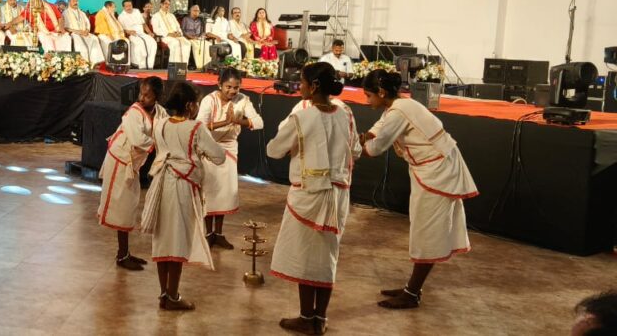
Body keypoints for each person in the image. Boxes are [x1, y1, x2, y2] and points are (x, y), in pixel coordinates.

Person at [360, 69, 479, 309]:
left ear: (381, 92)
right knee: (424, 228)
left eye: (368, 95)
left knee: (427, 231)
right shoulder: (400, 105)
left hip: (438, 173)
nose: (366, 101)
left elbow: (375, 148)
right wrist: (363, 136)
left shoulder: (399, 111)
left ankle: (412, 293)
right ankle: (411, 288)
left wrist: (350, 145)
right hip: (430, 171)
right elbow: (378, 128)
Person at [266, 62, 361, 335]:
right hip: (338, 194)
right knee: (327, 256)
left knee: (306, 256)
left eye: (303, 81)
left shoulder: (301, 117)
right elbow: (356, 151)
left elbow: (274, 149)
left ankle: (307, 317)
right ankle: (320, 317)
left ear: (315, 85)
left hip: (309, 194)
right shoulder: (346, 114)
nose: (300, 86)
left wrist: (293, 148)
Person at [140, 81, 226, 311]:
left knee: (162, 239)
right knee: (177, 240)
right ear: (189, 106)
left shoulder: (160, 124)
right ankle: (172, 295)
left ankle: (164, 294)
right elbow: (219, 157)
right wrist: (199, 153)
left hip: (160, 183)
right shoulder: (195, 128)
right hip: (182, 186)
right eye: (196, 103)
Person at [97, 77, 168, 270]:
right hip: (120, 161)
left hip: (132, 163)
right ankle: (122, 256)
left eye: (147, 95)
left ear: (157, 97)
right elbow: (138, 140)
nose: (142, 98)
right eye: (141, 94)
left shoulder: (160, 112)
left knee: (129, 207)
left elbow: (166, 129)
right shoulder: (133, 113)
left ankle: (125, 252)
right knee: (122, 208)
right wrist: (159, 142)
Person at [196, 68, 263, 249]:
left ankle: (218, 234)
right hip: (210, 148)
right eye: (228, 87)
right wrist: (225, 122)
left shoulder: (243, 100)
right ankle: (208, 233)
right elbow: (199, 126)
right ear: (219, 84)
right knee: (209, 191)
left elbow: (259, 123)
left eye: (236, 87)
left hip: (230, 148)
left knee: (225, 193)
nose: (232, 91)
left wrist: (238, 121)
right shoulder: (209, 100)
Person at [63, 0, 105, 64]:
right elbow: (65, 27)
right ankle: (83, 63)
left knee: (94, 38)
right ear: (69, 2)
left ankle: (95, 62)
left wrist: (87, 30)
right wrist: (78, 31)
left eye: (77, 1)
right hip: (74, 33)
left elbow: (87, 23)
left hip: (85, 33)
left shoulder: (82, 13)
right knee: (81, 46)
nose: (76, 2)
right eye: (73, 1)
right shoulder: (65, 13)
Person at [118, 0, 156, 69]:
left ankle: (150, 65)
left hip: (142, 33)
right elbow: (121, 30)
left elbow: (143, 24)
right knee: (140, 44)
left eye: (130, 5)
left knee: (152, 42)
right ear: (123, 7)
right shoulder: (121, 16)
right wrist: (129, 31)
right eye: (127, 6)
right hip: (132, 35)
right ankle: (141, 65)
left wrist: (149, 32)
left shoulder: (137, 11)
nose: (129, 7)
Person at [152, 0, 191, 64]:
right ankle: (174, 66)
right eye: (166, 4)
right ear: (161, 4)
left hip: (175, 35)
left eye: (169, 4)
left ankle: (183, 65)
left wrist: (179, 32)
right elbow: (156, 29)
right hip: (165, 36)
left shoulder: (172, 15)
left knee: (187, 43)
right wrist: (169, 34)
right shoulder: (156, 16)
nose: (167, 6)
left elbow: (178, 27)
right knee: (176, 43)